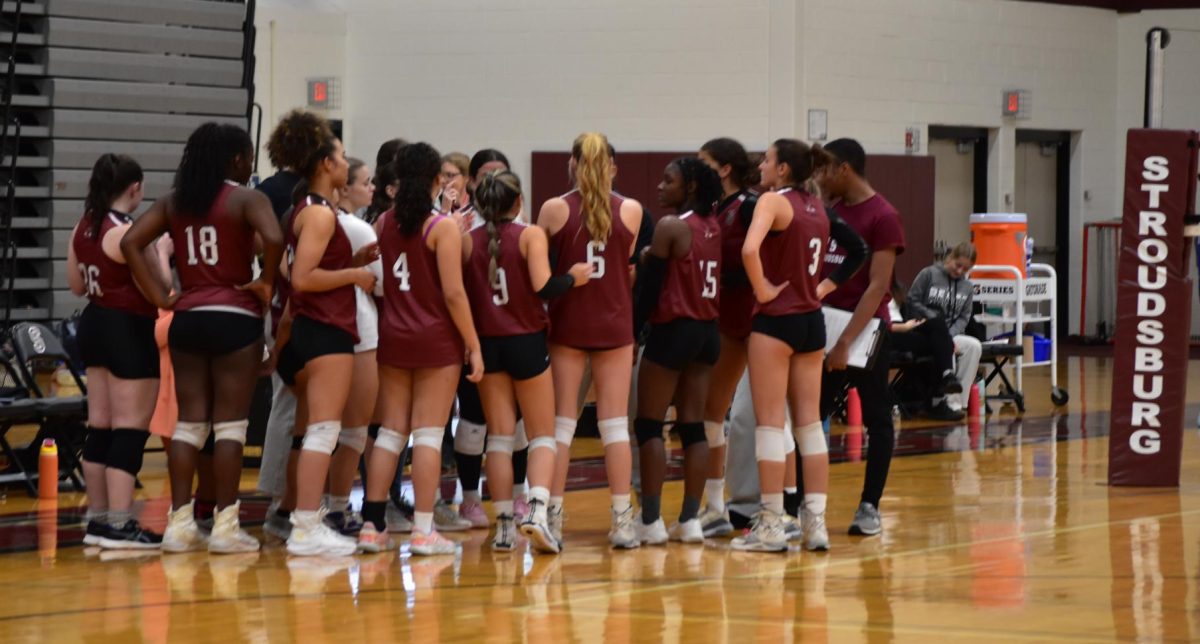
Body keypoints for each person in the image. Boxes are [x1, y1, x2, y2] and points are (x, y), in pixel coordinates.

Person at [121, 122, 283, 554]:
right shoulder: (247, 198)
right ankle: (226, 526)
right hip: (234, 315)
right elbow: (274, 235)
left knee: (189, 424)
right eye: (247, 156)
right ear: (235, 159)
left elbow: (132, 243)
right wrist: (266, 281)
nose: (251, 164)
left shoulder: (177, 201)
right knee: (230, 426)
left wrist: (160, 294)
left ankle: (179, 524)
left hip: (188, 317)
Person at [733, 139, 867, 552]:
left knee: (771, 424)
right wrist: (823, 286)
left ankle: (772, 523)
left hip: (776, 321)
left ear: (784, 170)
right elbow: (855, 252)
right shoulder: (819, 209)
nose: (761, 167)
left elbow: (749, 248)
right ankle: (816, 525)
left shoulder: (772, 203)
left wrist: (762, 289)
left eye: (768, 161)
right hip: (812, 323)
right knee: (810, 426)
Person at [358, 142, 484, 556]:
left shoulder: (384, 223)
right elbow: (453, 293)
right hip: (434, 340)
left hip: (393, 336)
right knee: (429, 434)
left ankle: (372, 526)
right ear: (436, 179)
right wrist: (473, 343)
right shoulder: (441, 227)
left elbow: (376, 278)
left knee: (390, 433)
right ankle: (424, 531)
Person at [463, 169, 591, 552]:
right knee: (541, 435)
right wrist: (572, 278)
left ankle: (503, 525)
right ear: (518, 201)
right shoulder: (530, 234)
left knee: (499, 437)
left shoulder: (468, 242)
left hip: (488, 344)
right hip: (526, 341)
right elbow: (543, 286)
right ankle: (535, 510)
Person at [538, 132, 642, 549]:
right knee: (615, 427)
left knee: (561, 426)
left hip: (568, 326)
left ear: (573, 164)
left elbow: (539, 268)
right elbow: (627, 265)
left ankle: (554, 518)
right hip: (615, 328)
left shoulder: (554, 209)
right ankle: (622, 520)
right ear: (611, 166)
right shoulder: (631, 210)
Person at [68, 154, 168, 549]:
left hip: (93, 324)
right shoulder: (128, 230)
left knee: (101, 426)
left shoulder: (84, 224)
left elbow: (76, 285)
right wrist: (161, 254)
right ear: (135, 188)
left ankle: (98, 519)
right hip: (127, 327)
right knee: (130, 427)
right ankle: (121, 523)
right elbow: (155, 289)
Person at [815, 137, 905, 537]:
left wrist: (846, 342)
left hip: (864, 332)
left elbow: (877, 286)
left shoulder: (883, 215)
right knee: (809, 414)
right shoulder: (830, 210)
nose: (819, 178)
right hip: (827, 326)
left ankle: (869, 505)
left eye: (824, 170)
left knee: (877, 419)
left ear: (844, 169)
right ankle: (800, 502)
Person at [630, 157, 723, 544]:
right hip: (708, 332)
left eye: (669, 181)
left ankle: (650, 522)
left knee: (648, 425)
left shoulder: (671, 226)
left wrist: (632, 331)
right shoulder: (713, 226)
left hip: (674, 330)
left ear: (692, 188)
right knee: (692, 426)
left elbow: (649, 290)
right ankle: (690, 521)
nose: (660, 186)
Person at [695, 138, 759, 536]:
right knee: (710, 415)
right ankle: (715, 505)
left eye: (703, 162)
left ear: (723, 169)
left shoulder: (752, 206)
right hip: (724, 323)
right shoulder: (708, 211)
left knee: (760, 418)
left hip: (760, 322)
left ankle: (778, 507)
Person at [450, 148, 515, 531]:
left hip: (516, 336)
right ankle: (470, 498)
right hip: (474, 336)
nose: (493, 181)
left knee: (515, 426)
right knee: (473, 421)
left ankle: (519, 495)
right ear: (472, 181)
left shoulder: (522, 225)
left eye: (500, 174)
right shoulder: (459, 227)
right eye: (486, 174)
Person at [323, 157, 383, 535]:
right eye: (366, 181)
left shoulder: (308, 220)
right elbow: (380, 285)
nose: (371, 188)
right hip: (357, 328)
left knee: (319, 430)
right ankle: (337, 508)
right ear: (344, 188)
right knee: (353, 431)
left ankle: (306, 509)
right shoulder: (357, 228)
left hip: (322, 327)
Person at [906, 242, 981, 418]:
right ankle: (944, 402)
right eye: (958, 265)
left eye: (966, 268)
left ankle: (958, 403)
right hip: (924, 330)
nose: (960, 271)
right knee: (945, 345)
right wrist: (931, 317)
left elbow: (964, 317)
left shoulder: (967, 287)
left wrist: (951, 334)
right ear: (951, 258)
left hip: (950, 333)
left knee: (974, 346)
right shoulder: (929, 274)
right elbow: (912, 301)